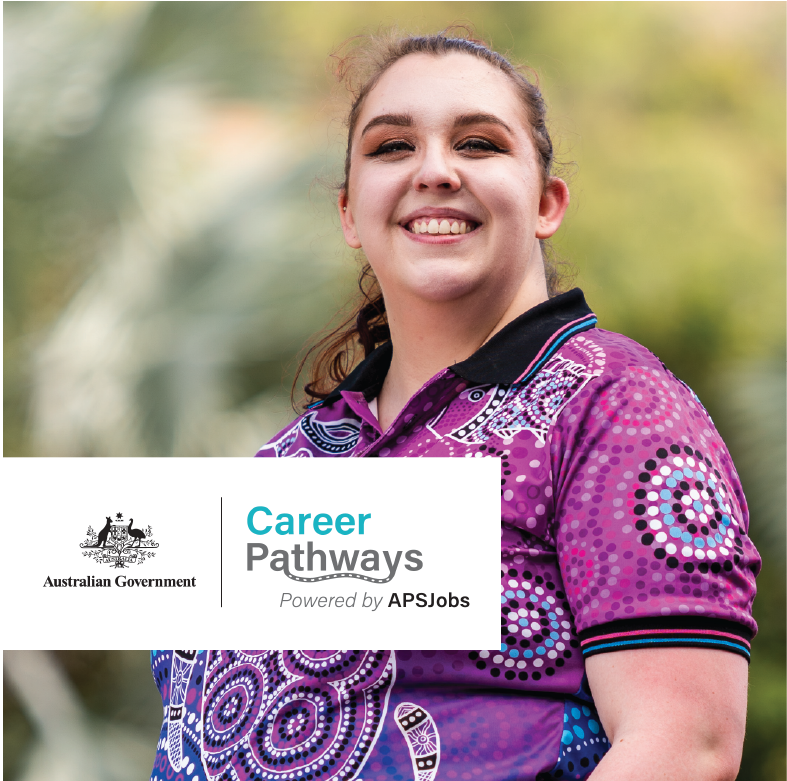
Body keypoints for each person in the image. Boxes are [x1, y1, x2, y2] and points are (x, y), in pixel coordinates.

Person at [149, 31, 760, 781]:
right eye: (391, 147)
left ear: (545, 202)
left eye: (476, 143)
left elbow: (684, 744)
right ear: (349, 211)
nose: (434, 170)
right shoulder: (289, 457)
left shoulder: (609, 404)